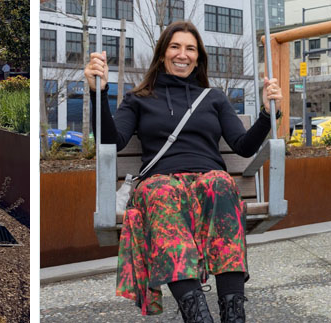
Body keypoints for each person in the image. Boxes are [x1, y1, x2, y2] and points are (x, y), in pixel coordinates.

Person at [84, 21, 282, 323]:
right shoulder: (139, 98)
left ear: (198, 57)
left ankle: (234, 315)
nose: (182, 54)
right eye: (175, 46)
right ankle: (197, 316)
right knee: (163, 191)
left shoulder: (213, 98)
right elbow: (112, 141)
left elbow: (242, 146)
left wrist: (268, 114)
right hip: (161, 182)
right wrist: (98, 93)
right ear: (163, 53)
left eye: (190, 48)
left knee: (221, 182)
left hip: (208, 182)